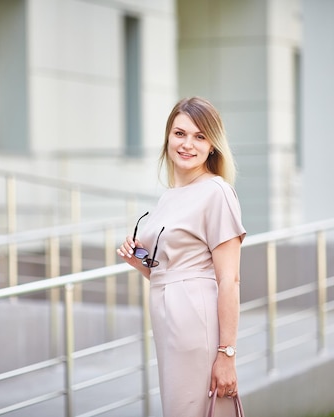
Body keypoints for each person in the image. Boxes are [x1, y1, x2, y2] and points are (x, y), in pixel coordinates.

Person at [117, 96, 246, 417]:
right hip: (167, 320)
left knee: (194, 408)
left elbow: (229, 279)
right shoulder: (169, 197)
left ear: (212, 146)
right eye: (180, 134)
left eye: (200, 136)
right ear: (167, 138)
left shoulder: (217, 192)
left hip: (195, 320)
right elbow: (170, 271)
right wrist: (138, 261)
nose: (188, 144)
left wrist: (226, 354)